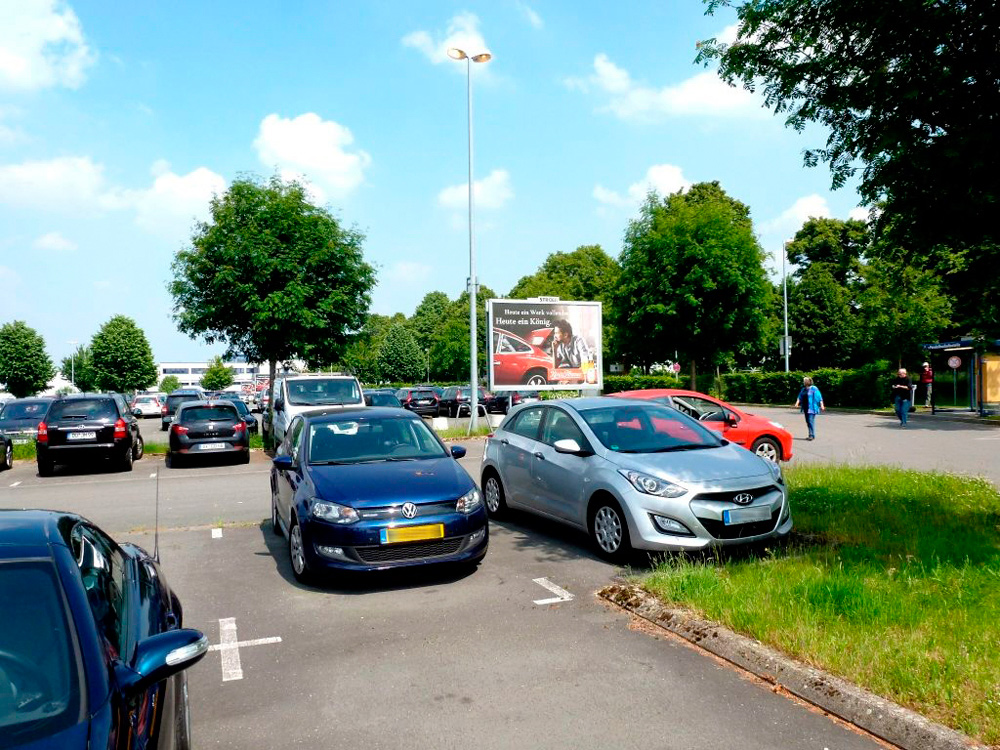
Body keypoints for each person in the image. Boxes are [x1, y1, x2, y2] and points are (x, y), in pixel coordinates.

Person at [793, 376, 825, 440]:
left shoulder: (814, 388)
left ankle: (812, 435)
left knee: (810, 421)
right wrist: (797, 403)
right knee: (808, 421)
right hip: (805, 407)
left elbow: (819, 397)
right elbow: (799, 397)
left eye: (804, 381)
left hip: (812, 408)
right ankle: (810, 434)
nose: (803, 382)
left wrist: (822, 405)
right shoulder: (803, 389)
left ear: (808, 382)